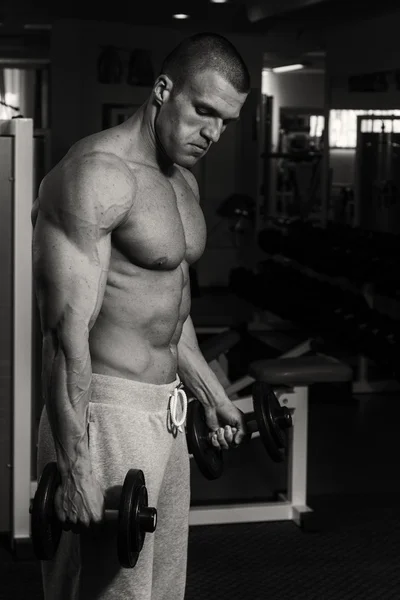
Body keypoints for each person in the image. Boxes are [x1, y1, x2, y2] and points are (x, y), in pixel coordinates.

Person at [31, 31, 251, 600]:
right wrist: (77, 464)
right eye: (203, 111)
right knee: (107, 591)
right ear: (162, 90)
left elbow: (168, 314)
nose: (212, 133)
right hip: (106, 410)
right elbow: (63, 335)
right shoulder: (96, 175)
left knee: (159, 588)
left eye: (225, 121)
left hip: (166, 412)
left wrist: (210, 391)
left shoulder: (183, 183)